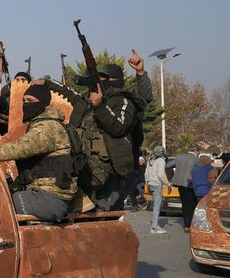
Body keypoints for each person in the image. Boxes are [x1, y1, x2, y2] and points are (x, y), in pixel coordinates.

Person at [46, 51, 152, 211]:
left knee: (105, 217)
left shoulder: (124, 101)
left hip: (113, 176)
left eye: (101, 79)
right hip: (86, 172)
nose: (96, 83)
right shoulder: (85, 101)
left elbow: (120, 125)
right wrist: (44, 83)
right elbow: (68, 92)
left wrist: (140, 73)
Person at [0, 83, 76, 220]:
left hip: (51, 198)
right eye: (24, 100)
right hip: (43, 194)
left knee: (3, 205)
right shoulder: (42, 125)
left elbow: (17, 149)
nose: (26, 104)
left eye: (30, 101)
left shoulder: (48, 128)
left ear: (43, 104)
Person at [144, 146, 171, 234]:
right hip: (156, 184)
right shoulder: (161, 160)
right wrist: (168, 184)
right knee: (157, 206)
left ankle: (155, 225)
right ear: (162, 152)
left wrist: (147, 183)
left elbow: (146, 173)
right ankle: (155, 227)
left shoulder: (150, 160)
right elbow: (161, 174)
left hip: (150, 184)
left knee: (156, 205)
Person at [171, 148, 198, 232]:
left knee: (185, 204)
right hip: (190, 184)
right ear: (196, 152)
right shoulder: (196, 159)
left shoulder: (179, 157)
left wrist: (171, 177)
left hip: (179, 184)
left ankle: (186, 225)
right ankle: (190, 224)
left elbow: (167, 165)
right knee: (192, 204)